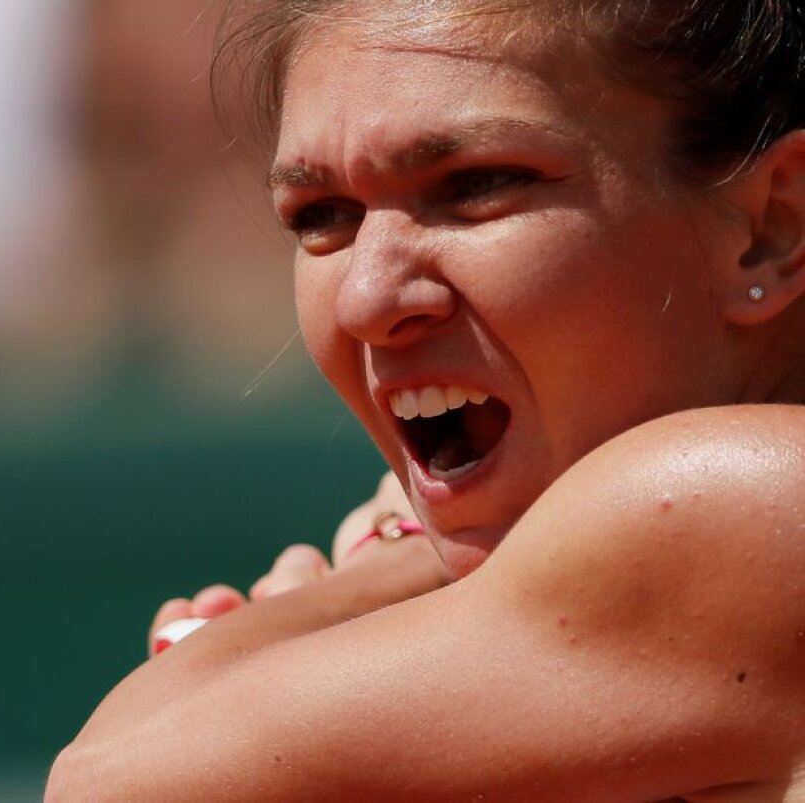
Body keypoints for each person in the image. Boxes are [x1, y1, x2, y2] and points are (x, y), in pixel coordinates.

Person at [47, 0, 805, 799]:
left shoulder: (763, 502)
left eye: (477, 184)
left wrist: (380, 574)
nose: (367, 300)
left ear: (770, 227)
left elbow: (111, 780)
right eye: (323, 216)